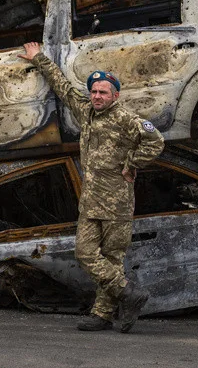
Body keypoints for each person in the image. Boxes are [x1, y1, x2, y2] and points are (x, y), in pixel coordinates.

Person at [18, 41, 164, 332]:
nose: (97, 96)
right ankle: (127, 292)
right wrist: (39, 59)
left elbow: (156, 141)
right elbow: (62, 87)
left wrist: (131, 163)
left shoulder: (126, 119)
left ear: (115, 95)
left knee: (112, 257)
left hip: (117, 203)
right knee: (85, 253)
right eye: (94, 91)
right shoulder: (86, 111)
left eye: (103, 92)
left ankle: (102, 314)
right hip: (91, 202)